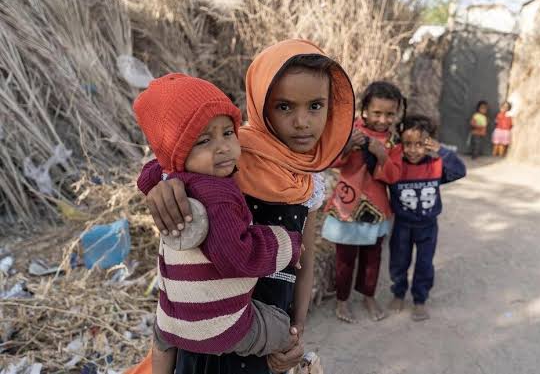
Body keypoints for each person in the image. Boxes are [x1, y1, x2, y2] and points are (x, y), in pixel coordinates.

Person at [128, 39, 355, 374]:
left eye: (316, 106)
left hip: (267, 329)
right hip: (214, 327)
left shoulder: (310, 177)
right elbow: (173, 162)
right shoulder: (229, 157)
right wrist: (161, 187)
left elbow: (304, 261)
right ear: (260, 104)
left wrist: (296, 330)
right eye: (284, 107)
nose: (302, 122)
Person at [132, 75, 305, 374]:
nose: (223, 147)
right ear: (177, 152)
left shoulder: (170, 176)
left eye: (227, 132)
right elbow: (238, 257)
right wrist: (288, 244)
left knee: (161, 340)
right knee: (279, 327)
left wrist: (167, 167)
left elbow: (147, 175)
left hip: (173, 317)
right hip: (221, 325)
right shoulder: (219, 195)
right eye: (203, 141)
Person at [321, 81, 405, 323]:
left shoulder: (394, 141)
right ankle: (342, 300)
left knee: (372, 257)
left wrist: (382, 156)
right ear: (364, 110)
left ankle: (368, 296)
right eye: (377, 113)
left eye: (390, 114)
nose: (383, 120)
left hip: (376, 209)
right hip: (347, 206)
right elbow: (330, 161)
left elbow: (394, 176)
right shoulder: (350, 132)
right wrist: (347, 146)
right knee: (344, 259)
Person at [386, 114, 466, 321]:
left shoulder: (436, 165)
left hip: (428, 226)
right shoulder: (395, 166)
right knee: (398, 261)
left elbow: (459, 171)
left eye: (420, 144)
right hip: (403, 225)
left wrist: (442, 151)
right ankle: (398, 293)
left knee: (424, 263)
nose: (413, 150)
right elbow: (376, 167)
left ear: (429, 144)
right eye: (408, 144)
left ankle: (420, 299)